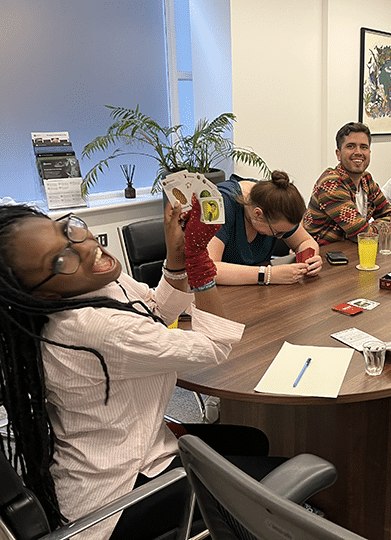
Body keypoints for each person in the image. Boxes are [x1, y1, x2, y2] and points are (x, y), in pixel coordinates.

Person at [0, 199, 278, 540]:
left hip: (123, 445)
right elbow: (214, 346)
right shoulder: (91, 326)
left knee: (253, 440)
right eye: (60, 260)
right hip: (118, 493)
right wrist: (200, 265)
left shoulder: (100, 284)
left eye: (67, 229)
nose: (87, 247)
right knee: (280, 479)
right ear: (39, 293)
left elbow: (157, 312)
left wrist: (176, 259)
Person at [209, 170, 322, 285]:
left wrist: (310, 259)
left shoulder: (275, 202)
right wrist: (268, 275)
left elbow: (305, 241)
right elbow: (209, 269)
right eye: (278, 233)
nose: (281, 238)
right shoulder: (219, 205)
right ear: (258, 214)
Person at [303, 122, 391, 244]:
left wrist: (370, 227)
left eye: (363, 147)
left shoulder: (367, 180)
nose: (358, 152)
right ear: (338, 154)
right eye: (351, 146)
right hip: (322, 256)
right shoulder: (330, 184)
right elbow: (361, 234)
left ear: (369, 152)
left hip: (353, 253)